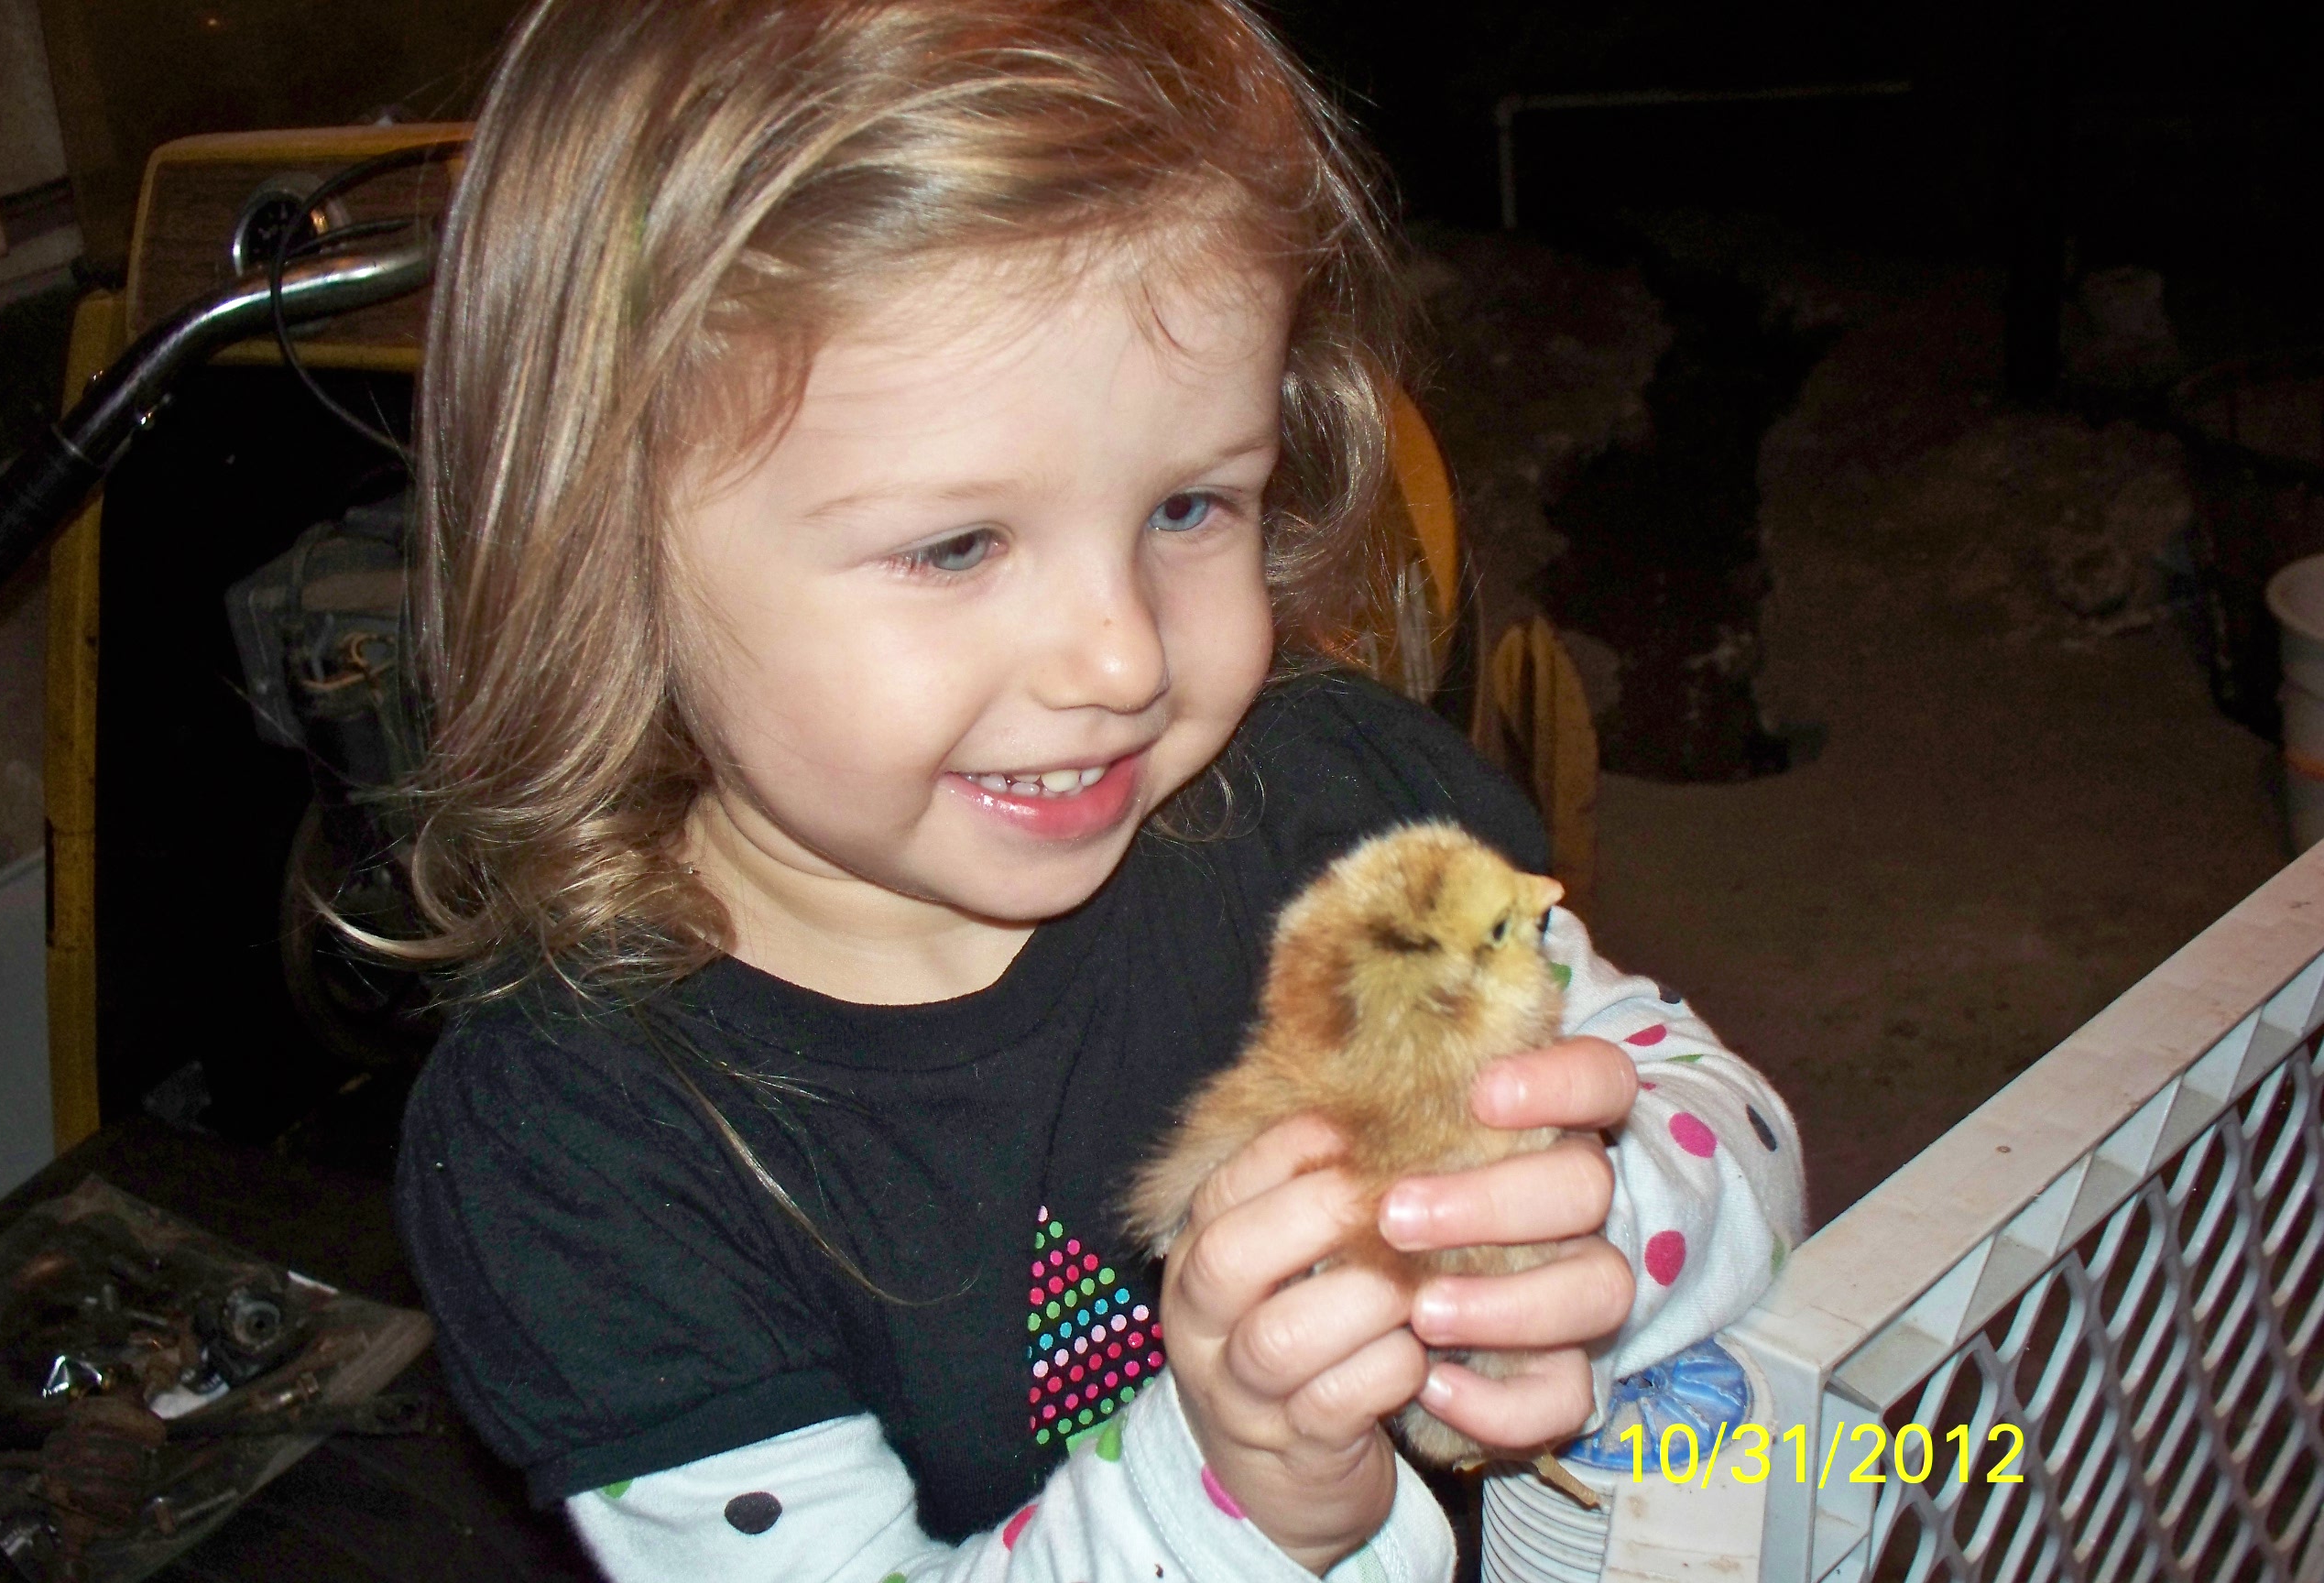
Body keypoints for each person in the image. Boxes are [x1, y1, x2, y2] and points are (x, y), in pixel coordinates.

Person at [390, 1, 1806, 1578]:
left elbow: (1724, 1113)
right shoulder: (578, 1154)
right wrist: (1241, 1495)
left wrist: (1590, 1236)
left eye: (1190, 507)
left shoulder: (1324, 806)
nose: (1124, 658)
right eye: (957, 546)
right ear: (596, 555)